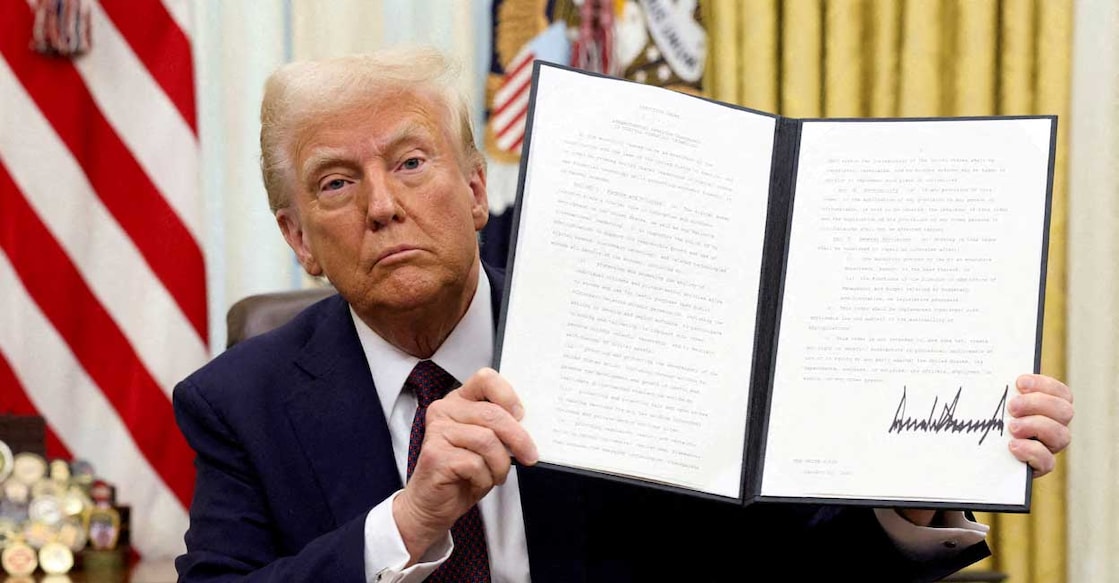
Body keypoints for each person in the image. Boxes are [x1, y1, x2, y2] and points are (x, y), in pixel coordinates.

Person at [173, 47, 1075, 582]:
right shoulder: (237, 402)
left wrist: (914, 468)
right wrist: (409, 523)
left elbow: (777, 561)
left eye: (411, 163)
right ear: (298, 237)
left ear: (477, 187)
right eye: (337, 182)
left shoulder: (624, 324)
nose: (381, 205)